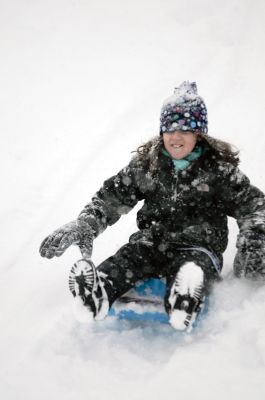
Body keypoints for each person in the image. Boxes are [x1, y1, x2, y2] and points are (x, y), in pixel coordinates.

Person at [39, 81, 265, 331]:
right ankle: (98, 292)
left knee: (192, 268)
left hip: (199, 246)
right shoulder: (148, 165)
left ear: (199, 133)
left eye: (186, 130)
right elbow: (111, 197)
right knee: (127, 259)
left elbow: (254, 206)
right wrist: (87, 223)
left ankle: (183, 298)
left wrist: (255, 234)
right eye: (169, 130)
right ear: (162, 132)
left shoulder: (219, 172)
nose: (176, 137)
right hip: (152, 241)